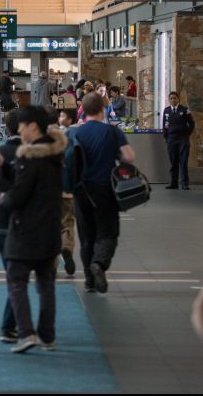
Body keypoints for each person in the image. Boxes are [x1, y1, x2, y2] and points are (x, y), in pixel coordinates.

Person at [1, 106, 66, 353]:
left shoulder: (29, 158)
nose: (19, 130)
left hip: (26, 231)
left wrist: (3, 199)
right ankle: (47, 336)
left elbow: (19, 195)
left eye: (22, 125)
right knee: (46, 284)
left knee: (16, 281)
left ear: (33, 126)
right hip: (50, 229)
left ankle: (26, 332)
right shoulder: (56, 154)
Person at [72, 93, 136, 293]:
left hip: (81, 191)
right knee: (107, 232)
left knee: (86, 236)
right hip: (105, 189)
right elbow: (129, 157)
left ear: (83, 110)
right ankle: (99, 263)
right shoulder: (112, 132)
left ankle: (89, 281)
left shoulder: (75, 133)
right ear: (102, 109)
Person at [0, 110, 21, 344]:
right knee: (18, 276)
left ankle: (12, 324)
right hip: (21, 223)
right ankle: (9, 325)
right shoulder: (30, 155)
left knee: (14, 273)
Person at [58, 108, 78, 277]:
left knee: (51, 224)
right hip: (67, 190)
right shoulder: (75, 137)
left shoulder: (54, 137)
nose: (60, 118)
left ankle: (51, 261)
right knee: (67, 223)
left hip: (51, 190)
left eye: (63, 115)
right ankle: (67, 248)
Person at [163, 91, 196, 190]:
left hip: (183, 139)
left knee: (183, 161)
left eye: (175, 98)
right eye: (171, 98)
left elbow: (192, 124)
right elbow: (165, 125)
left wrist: (186, 135)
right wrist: (166, 137)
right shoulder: (166, 110)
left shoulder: (185, 109)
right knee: (173, 162)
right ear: (169, 100)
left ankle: (185, 183)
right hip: (171, 139)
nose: (173, 100)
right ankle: (174, 183)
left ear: (178, 99)